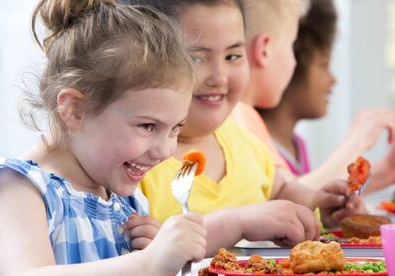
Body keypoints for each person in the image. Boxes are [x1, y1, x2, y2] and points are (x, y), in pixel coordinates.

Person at [0, 1, 207, 275]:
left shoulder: (128, 202)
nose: (165, 150)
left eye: (176, 128)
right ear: (75, 109)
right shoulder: (18, 187)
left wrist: (154, 250)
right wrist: (147, 264)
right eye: (148, 126)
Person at [124, 0, 364, 230]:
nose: (220, 77)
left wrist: (318, 204)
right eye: (195, 58)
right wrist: (238, 223)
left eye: (233, 56)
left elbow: (281, 193)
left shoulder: (243, 142)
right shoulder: (136, 162)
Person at [247, 0, 395, 193]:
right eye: (323, 64)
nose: (333, 80)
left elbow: (316, 195)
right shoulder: (248, 137)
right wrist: (357, 141)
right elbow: (291, 200)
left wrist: (386, 172)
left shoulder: (296, 145)